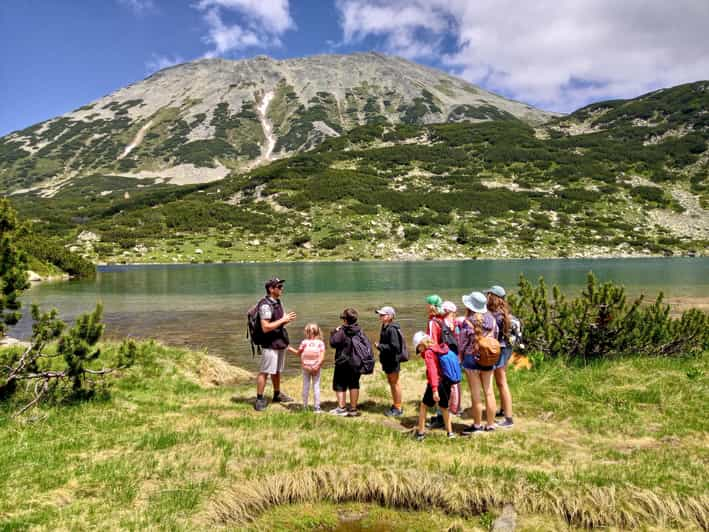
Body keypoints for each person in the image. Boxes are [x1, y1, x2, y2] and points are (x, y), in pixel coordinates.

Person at [254, 277, 297, 411]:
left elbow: (277, 322)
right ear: (271, 289)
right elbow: (265, 327)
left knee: (277, 370)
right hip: (269, 343)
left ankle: (277, 394)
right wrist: (283, 319)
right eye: (279, 287)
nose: (281, 289)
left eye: (281, 286)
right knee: (265, 371)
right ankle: (260, 398)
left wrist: (286, 320)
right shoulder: (265, 305)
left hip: (279, 342)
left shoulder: (277, 302)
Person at [459, 291, 498, 434]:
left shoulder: (467, 321)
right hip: (488, 358)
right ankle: (491, 424)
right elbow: (496, 337)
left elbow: (462, 343)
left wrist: (461, 357)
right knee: (489, 392)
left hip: (471, 360)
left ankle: (477, 425)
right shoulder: (492, 319)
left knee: (475, 394)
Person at [412, 332, 455, 441]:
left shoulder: (429, 353)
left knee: (423, 406)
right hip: (446, 381)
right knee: (444, 408)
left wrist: (434, 389)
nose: (419, 351)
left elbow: (432, 371)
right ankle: (450, 433)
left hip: (436, 383)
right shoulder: (437, 347)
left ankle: (421, 433)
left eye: (418, 348)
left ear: (421, 344)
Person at [487, 285, 514, 429]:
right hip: (506, 348)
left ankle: (508, 419)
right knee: (501, 381)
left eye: (489, 295)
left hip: (500, 350)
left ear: (494, 297)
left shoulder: (494, 316)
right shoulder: (503, 313)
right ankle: (504, 410)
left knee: (502, 383)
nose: (487, 297)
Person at [329, 307, 365, 417]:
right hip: (357, 362)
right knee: (354, 384)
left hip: (343, 362)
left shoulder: (342, 331)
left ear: (345, 320)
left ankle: (341, 408)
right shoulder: (359, 330)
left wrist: (333, 332)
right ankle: (353, 408)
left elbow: (333, 343)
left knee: (340, 385)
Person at [375, 306, 403, 417]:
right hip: (388, 360)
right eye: (380, 314)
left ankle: (398, 408)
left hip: (393, 361)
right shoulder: (385, 326)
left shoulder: (392, 329)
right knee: (392, 383)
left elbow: (395, 347)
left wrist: (380, 346)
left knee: (395, 383)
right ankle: (396, 404)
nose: (380, 316)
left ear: (390, 316)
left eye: (383, 314)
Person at [292, 323, 325, 412]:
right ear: (318, 332)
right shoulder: (320, 343)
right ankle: (317, 408)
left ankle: (305, 406)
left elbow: (298, 353)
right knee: (316, 386)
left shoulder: (304, 342)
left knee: (305, 386)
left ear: (307, 333)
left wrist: (289, 348)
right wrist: (317, 366)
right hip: (316, 367)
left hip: (306, 367)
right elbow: (322, 357)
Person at [441, 301, 461, 417]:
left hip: (449, 355)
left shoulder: (444, 323)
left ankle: (453, 408)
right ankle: (457, 407)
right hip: (456, 355)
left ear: (447, 311)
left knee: (451, 382)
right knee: (456, 381)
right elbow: (458, 339)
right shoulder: (456, 323)